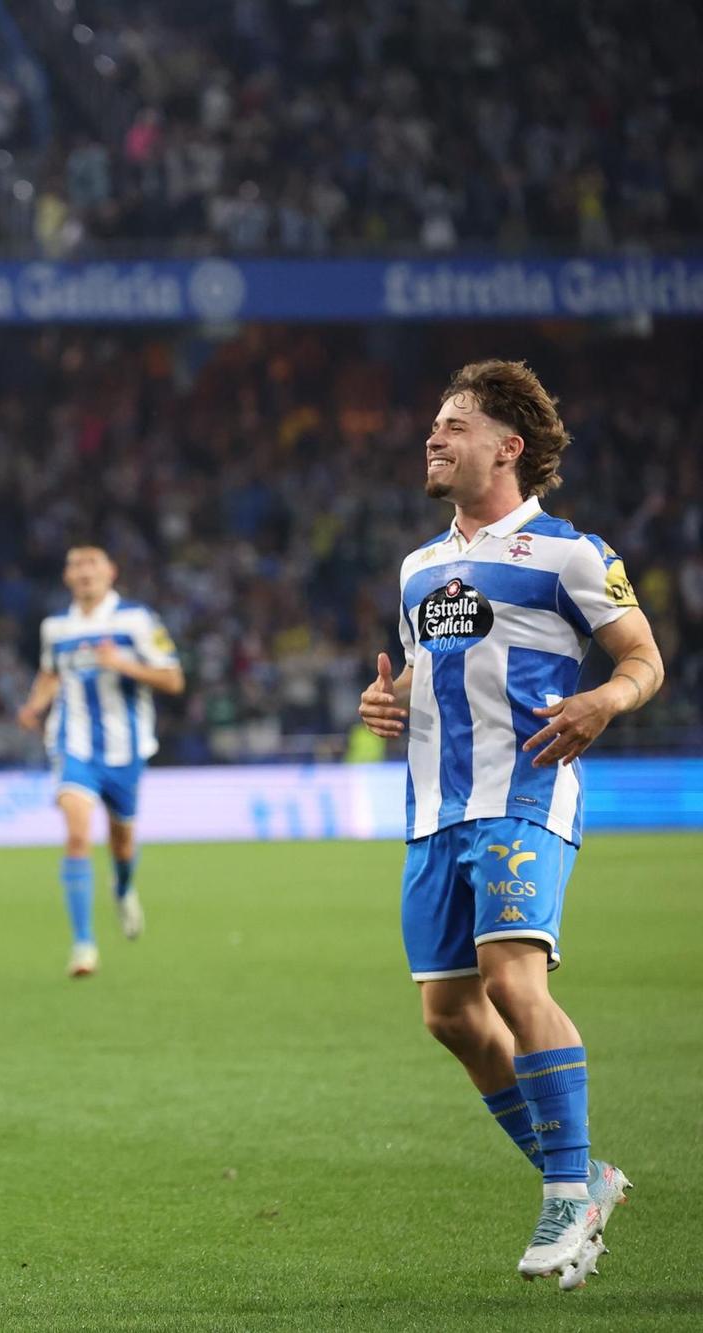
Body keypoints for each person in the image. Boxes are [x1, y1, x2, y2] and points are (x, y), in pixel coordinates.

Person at [358, 361, 662, 1289]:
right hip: (434, 813)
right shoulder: (419, 566)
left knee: (509, 978)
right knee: (449, 1014)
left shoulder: (571, 554)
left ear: (508, 446)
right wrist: (390, 699)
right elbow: (435, 673)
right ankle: (583, 1176)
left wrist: (605, 700)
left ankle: (566, 1192)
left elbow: (642, 657)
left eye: (453, 425)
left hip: (524, 796)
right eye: (433, 425)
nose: (433, 437)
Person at [17, 546, 183, 976]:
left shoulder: (137, 619)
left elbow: (173, 678)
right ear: (67, 576)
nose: (84, 571)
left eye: (93, 563)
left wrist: (123, 664)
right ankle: (83, 944)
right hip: (73, 746)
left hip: (125, 751)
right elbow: (51, 672)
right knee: (76, 835)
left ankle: (124, 889)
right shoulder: (55, 627)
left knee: (121, 842)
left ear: (111, 571)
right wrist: (34, 705)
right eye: (75, 564)